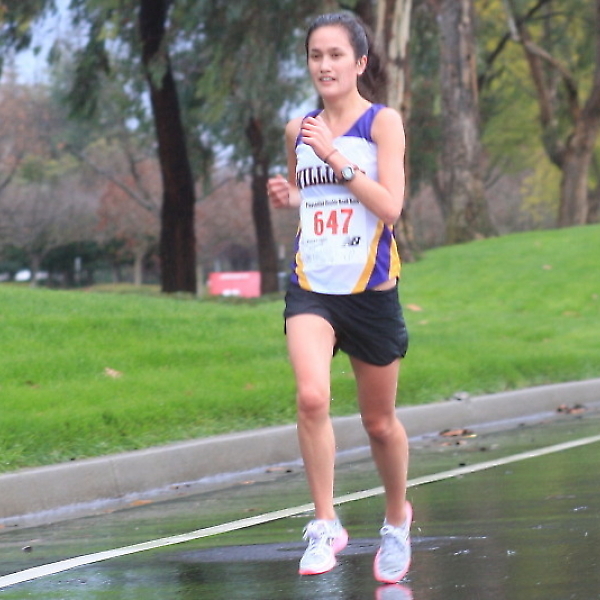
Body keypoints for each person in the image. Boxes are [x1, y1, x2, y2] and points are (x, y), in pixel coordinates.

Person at [267, 12, 411, 584]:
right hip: (313, 288)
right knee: (311, 397)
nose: (324, 65)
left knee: (379, 423)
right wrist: (288, 196)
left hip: (371, 291)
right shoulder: (298, 129)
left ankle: (396, 520)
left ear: (359, 63)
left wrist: (334, 156)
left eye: (335, 55)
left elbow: (390, 207)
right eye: (315, 55)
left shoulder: (383, 123)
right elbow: (308, 197)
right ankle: (325, 523)